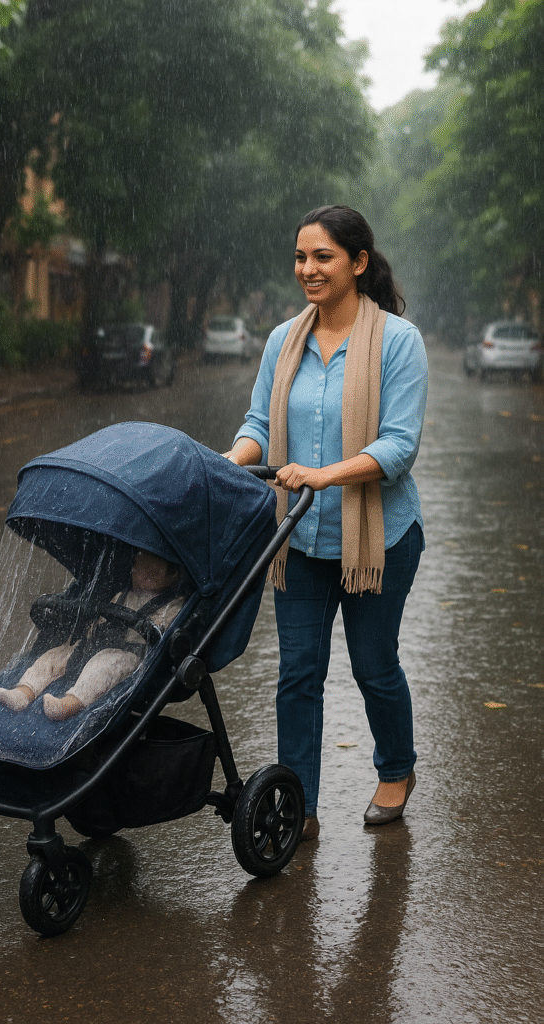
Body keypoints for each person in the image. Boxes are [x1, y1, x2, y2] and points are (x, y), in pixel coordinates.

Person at [224, 205, 427, 838]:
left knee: (374, 666)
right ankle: (298, 804)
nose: (307, 270)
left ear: (358, 263)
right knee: (298, 672)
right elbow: (260, 424)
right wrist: (229, 461)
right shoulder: (282, 339)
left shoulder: (398, 341)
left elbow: (398, 447)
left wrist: (321, 475)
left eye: (323, 257)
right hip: (301, 540)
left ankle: (396, 770)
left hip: (380, 541)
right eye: (301, 258)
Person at [0, 549, 184, 720]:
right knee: (55, 655)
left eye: (141, 567)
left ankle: (70, 704)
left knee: (103, 665)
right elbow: (100, 618)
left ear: (167, 575)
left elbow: (161, 633)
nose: (132, 570)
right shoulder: (122, 595)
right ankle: (23, 692)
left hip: (130, 657)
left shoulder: (173, 606)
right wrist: (88, 635)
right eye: (134, 564)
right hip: (93, 647)